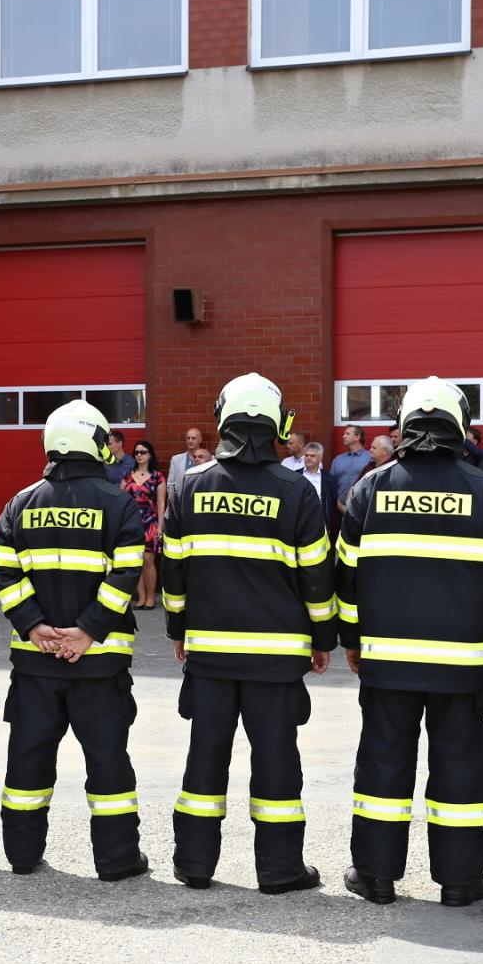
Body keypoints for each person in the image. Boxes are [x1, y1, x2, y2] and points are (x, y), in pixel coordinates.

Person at [337, 377, 483, 907]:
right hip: (462, 665)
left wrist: (351, 641)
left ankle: (375, 877)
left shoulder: (370, 488)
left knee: (382, 762)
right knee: (460, 767)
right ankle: (461, 881)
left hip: (388, 661)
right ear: (459, 425)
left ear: (403, 427)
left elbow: (346, 578)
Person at [164, 373, 334, 895]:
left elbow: (174, 572)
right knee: (278, 760)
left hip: (210, 654)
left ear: (223, 420)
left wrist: (178, 629)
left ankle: (194, 864)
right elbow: (316, 575)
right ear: (276, 424)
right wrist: (322, 639)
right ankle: (280, 870)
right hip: (277, 659)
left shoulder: (189, 484)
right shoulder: (297, 491)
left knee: (205, 757)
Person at [0, 399, 148, 881]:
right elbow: (125, 574)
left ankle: (21, 854)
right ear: (96, 444)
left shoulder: (20, 502)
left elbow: (4, 573)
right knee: (107, 761)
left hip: (35, 661)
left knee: (28, 758)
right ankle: (117, 861)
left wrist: (34, 626)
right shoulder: (118, 502)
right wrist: (87, 631)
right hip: (99, 662)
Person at [120, 440, 166, 610]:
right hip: (131, 522)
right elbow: (121, 500)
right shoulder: (127, 475)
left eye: (143, 452)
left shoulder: (157, 477)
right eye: (137, 452)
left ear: (150, 455)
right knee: (136, 560)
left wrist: (160, 527)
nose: (139, 455)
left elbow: (161, 503)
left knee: (148, 560)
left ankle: (151, 597)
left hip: (150, 521)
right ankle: (141, 597)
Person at [330, 426, 371, 519]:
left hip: (362, 510)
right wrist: (339, 505)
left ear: (357, 437)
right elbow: (331, 485)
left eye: (347, 434)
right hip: (338, 510)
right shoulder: (338, 460)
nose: (343, 436)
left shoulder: (370, 458)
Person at [299, 441, 337, 535]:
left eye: (312, 456)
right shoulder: (295, 475)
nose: (308, 458)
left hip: (320, 521)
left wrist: (329, 525)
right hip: (299, 520)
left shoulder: (329, 479)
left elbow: (332, 503)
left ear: (320, 458)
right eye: (306, 455)